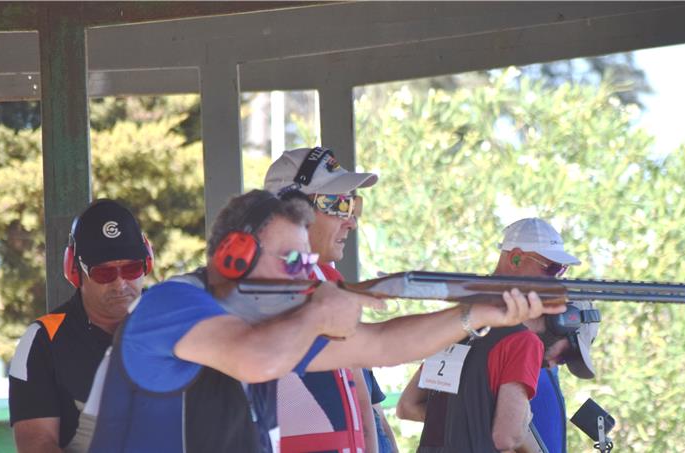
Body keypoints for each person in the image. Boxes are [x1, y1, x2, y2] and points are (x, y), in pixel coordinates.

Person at [87, 189, 565, 452]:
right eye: (290, 260)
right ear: (236, 255)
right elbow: (254, 359)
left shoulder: (267, 325)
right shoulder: (172, 304)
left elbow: (381, 344)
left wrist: (477, 313)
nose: (304, 274)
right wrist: (318, 310)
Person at [397, 218, 600, 453]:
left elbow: (409, 405)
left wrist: (473, 420)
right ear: (515, 258)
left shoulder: (458, 324)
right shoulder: (524, 342)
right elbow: (507, 438)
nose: (555, 279)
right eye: (551, 268)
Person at [8, 199, 153, 452]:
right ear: (75, 272)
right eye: (104, 273)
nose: (120, 284)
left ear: (147, 264)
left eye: (131, 269)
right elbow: (36, 444)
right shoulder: (44, 340)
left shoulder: (175, 325)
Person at [264, 146, 382, 452]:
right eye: (337, 205)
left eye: (352, 204)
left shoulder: (328, 278)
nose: (351, 221)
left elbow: (360, 396)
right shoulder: (252, 283)